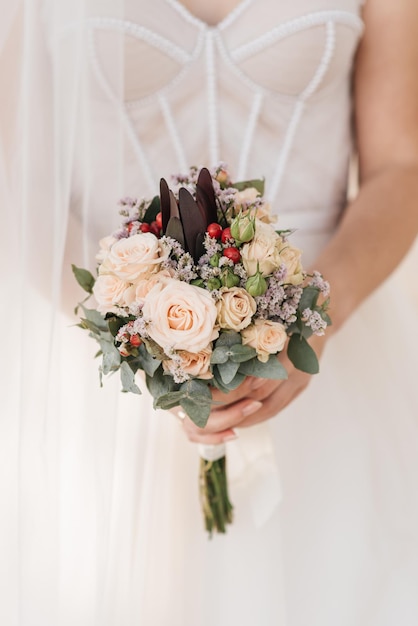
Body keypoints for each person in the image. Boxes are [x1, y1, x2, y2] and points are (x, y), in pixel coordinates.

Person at [1, 1, 418, 625]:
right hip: (101, 389)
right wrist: (141, 341)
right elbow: (18, 178)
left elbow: (401, 166)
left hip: (323, 360)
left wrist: (318, 316)